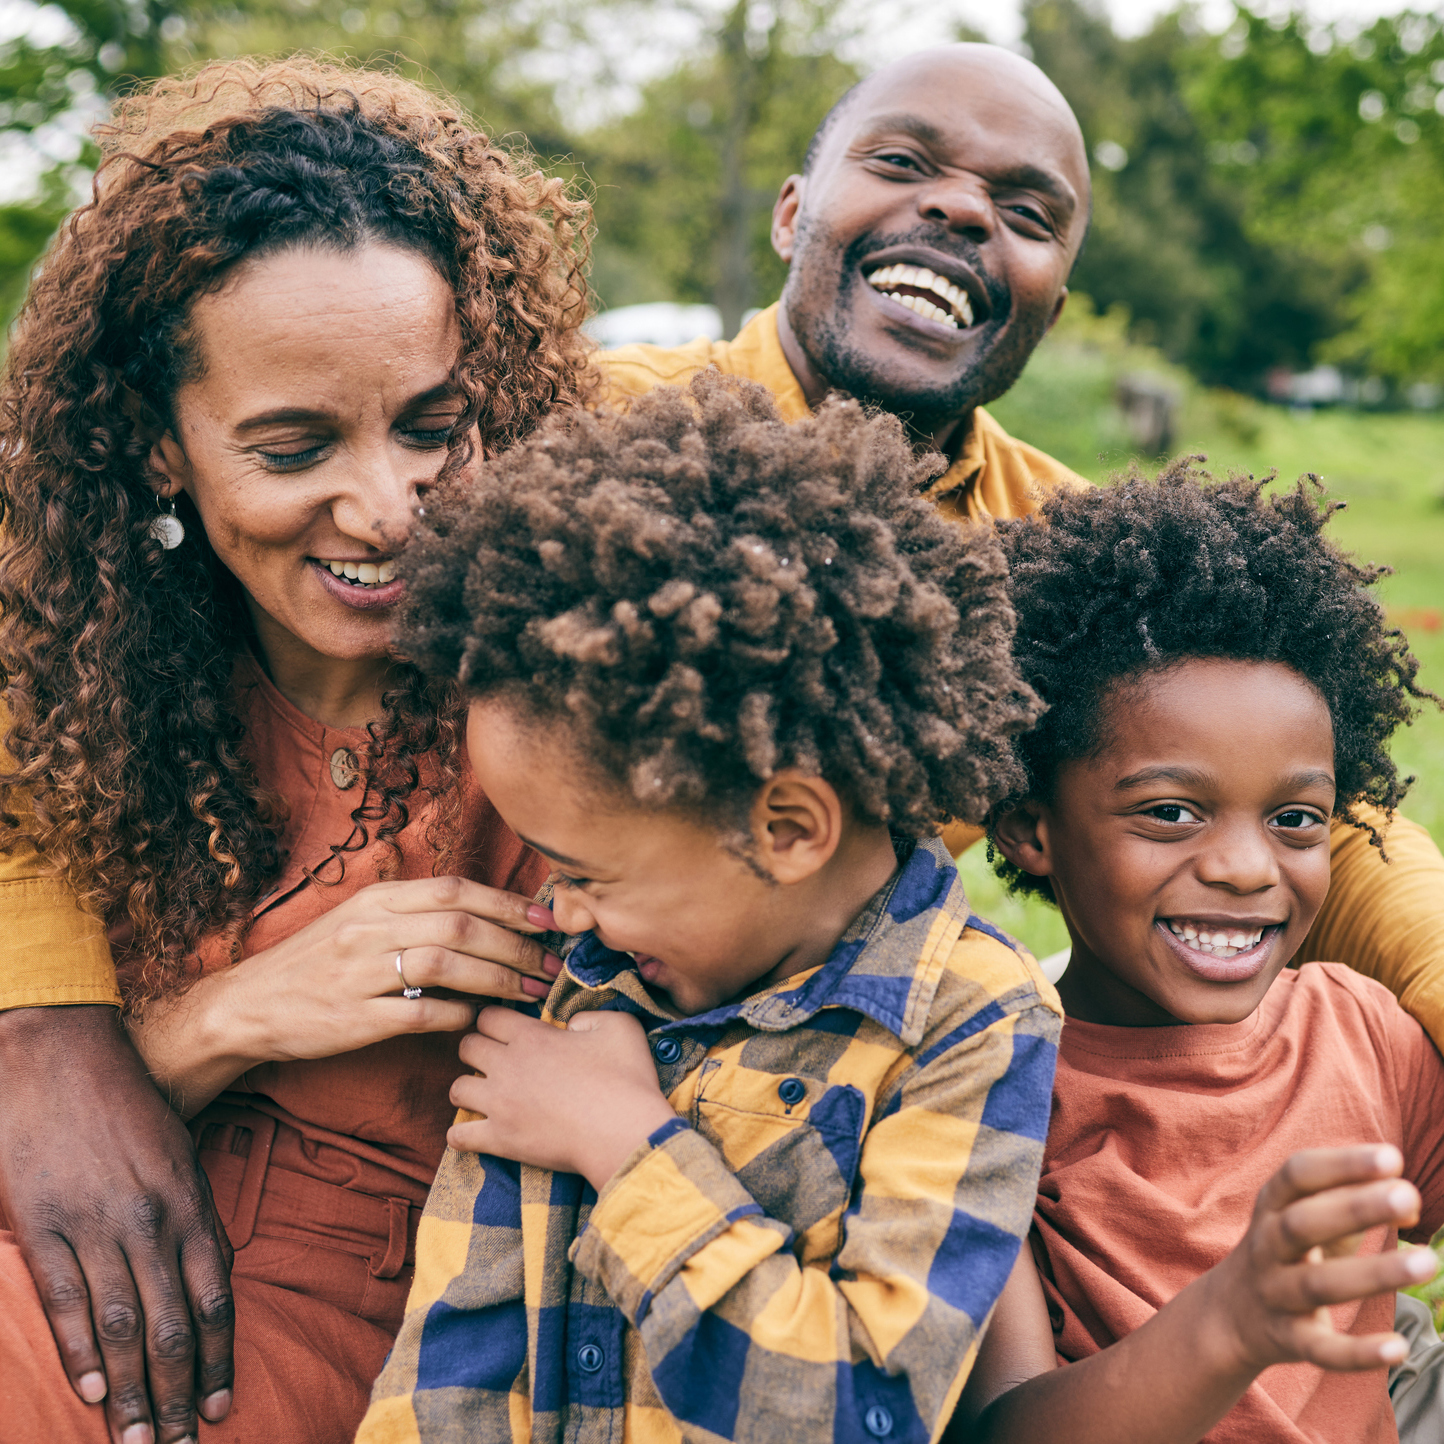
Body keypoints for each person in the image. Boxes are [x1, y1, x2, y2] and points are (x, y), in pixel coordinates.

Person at [593, 42, 1444, 1034]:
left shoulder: (1061, 544)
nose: (959, 211)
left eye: (1028, 215)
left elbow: (1308, 818)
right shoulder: (585, 422)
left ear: (1050, 307)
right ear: (791, 214)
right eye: (903, 163)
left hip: (846, 1086)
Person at [0, 58, 593, 1444]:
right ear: (161, 448)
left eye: (435, 427)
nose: (386, 508)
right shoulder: (85, 681)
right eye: (293, 446)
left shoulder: (573, 705)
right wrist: (224, 1021)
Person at [354, 374, 1062, 1443]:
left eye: (587, 873)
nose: (562, 913)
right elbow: (450, 1364)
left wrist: (627, 1147)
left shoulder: (970, 1023)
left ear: (784, 829)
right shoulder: (586, 995)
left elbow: (859, 1410)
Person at [951, 468, 1444, 1443]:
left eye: (1294, 818)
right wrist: (1228, 1322)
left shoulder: (1359, 1033)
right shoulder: (986, 1085)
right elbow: (1000, 1429)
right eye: (1169, 812)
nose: (1244, 867)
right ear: (1027, 828)